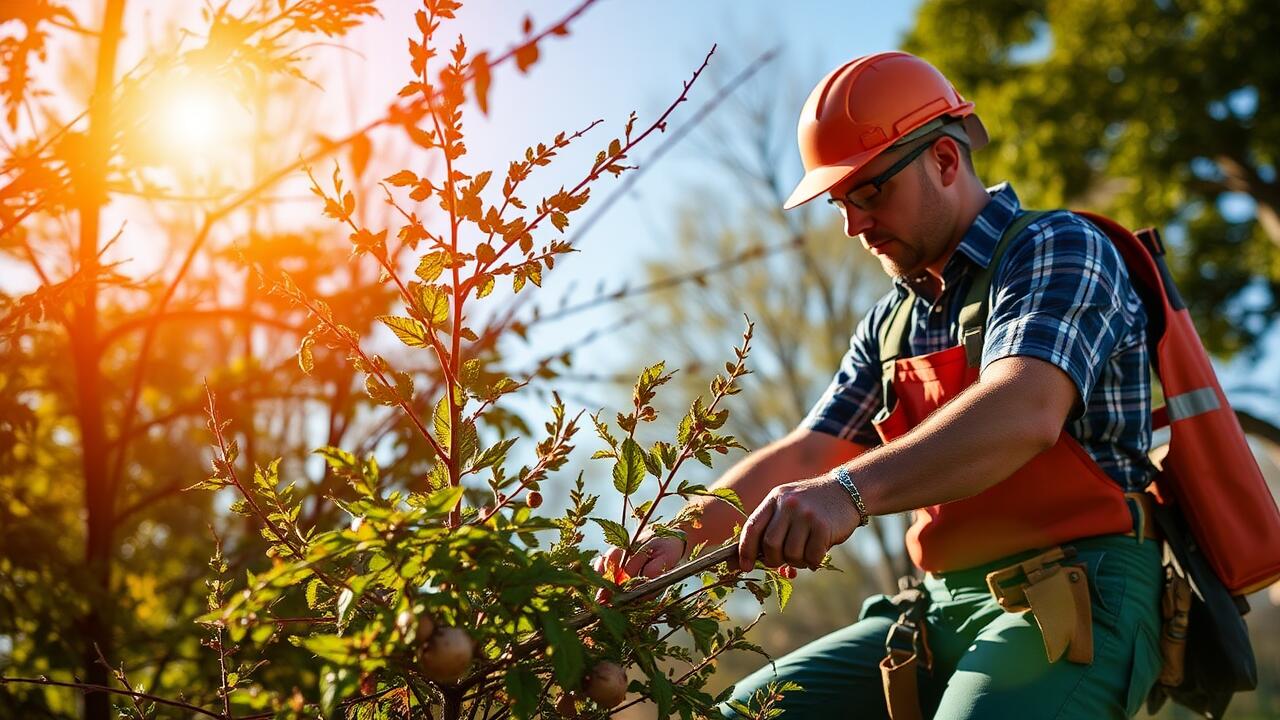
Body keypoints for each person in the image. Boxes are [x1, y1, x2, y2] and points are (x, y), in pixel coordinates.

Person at [596, 51, 1165, 719]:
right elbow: (811, 454)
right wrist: (680, 538)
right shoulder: (890, 324)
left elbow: (1024, 407)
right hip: (939, 609)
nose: (852, 226)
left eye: (869, 192)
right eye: (841, 202)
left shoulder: (1056, 248)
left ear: (945, 162)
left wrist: (847, 495)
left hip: (1079, 590)